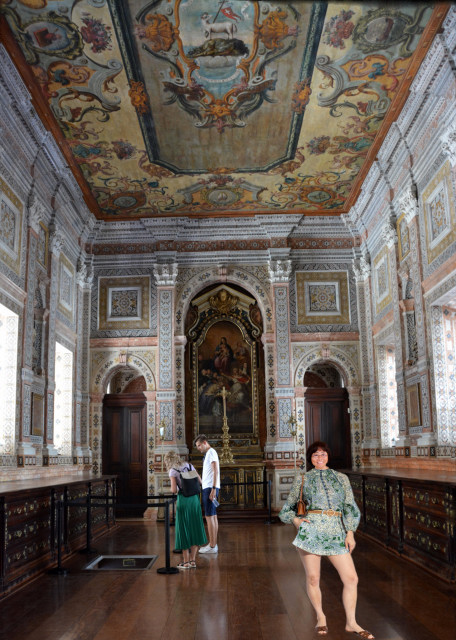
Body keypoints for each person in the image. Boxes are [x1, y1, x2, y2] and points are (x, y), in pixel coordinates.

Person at [278, 441, 374, 639]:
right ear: (310, 458)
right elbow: (286, 510)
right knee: (313, 578)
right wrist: (296, 521)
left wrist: (350, 532)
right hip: (311, 531)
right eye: (315, 455)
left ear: (328, 456)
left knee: (351, 578)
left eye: (323, 454)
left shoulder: (341, 478)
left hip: (336, 530)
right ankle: (321, 617)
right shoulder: (303, 479)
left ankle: (351, 622)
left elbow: (349, 507)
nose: (319, 458)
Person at [164, 451, 207, 569]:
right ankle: (193, 561)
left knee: (183, 529)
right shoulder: (189, 466)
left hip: (183, 500)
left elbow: (173, 490)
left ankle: (186, 562)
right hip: (194, 500)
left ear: (168, 461)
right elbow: (200, 482)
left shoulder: (173, 471)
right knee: (194, 528)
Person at [194, 434, 220, 553]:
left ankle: (212, 546)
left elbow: (216, 471)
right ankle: (213, 544)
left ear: (205, 442)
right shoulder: (209, 453)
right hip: (209, 486)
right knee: (212, 516)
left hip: (210, 487)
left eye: (199, 445)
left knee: (209, 517)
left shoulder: (211, 452)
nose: (198, 448)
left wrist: (213, 488)